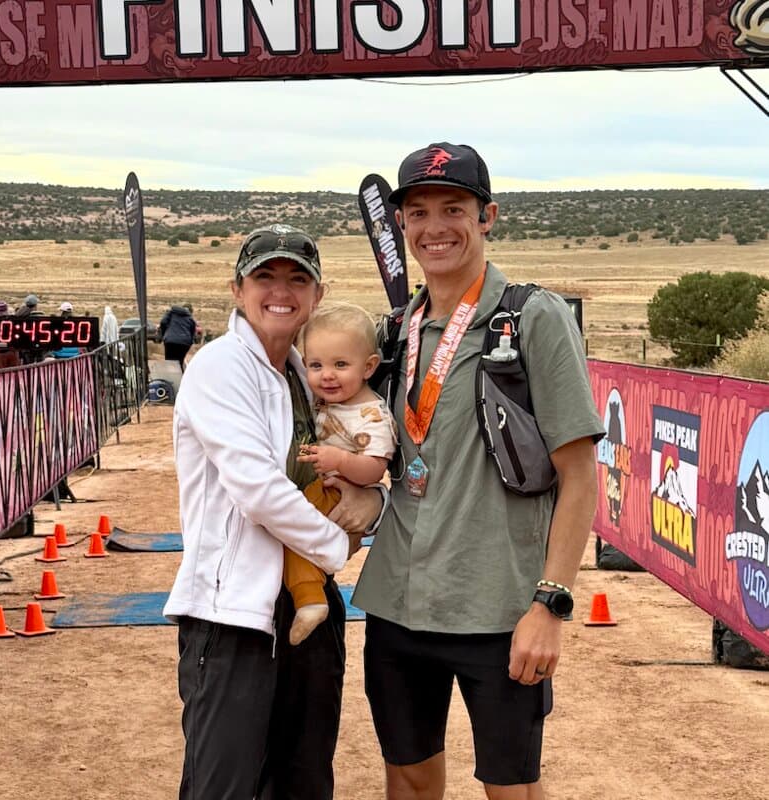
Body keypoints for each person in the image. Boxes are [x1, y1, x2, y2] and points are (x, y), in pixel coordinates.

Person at [352, 143, 605, 800]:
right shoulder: (396, 330)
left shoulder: (531, 317)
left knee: (511, 788)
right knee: (406, 780)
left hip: (499, 609)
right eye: (419, 211)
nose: (436, 227)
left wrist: (551, 603)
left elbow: (580, 475)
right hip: (398, 603)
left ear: (488, 215)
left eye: (454, 208)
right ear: (401, 225)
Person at [163, 223, 387, 800]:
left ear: (317, 293)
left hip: (308, 602)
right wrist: (339, 547)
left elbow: (356, 456)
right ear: (237, 289)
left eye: (297, 278)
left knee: (304, 779)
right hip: (231, 612)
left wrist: (373, 498)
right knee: (226, 786)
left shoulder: (306, 372)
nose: (280, 291)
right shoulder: (219, 368)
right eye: (265, 276)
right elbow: (258, 490)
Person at [286, 302, 397, 646]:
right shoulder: (327, 401)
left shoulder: (371, 415)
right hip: (325, 489)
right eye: (316, 365)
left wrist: (339, 460)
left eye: (340, 365)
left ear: (369, 367)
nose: (327, 375)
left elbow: (375, 468)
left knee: (290, 533)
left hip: (336, 492)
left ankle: (310, 601)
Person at [159, 302, 196, 371]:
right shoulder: (190, 318)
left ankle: (170, 377)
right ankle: (180, 379)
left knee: (169, 361)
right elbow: (193, 331)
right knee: (180, 361)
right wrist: (190, 341)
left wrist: (165, 334)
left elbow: (163, 322)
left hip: (170, 341)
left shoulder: (172, 313)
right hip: (184, 343)